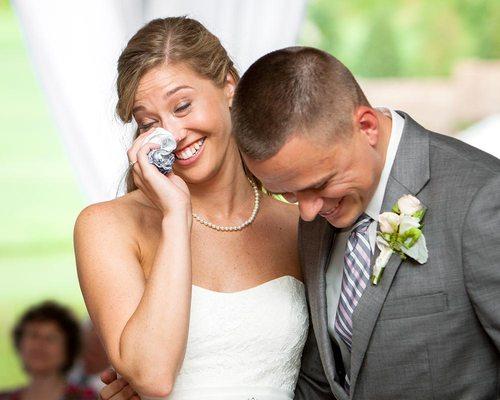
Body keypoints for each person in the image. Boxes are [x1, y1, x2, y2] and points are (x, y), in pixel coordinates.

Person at [230, 47, 500, 399]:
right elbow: (325, 380)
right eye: (289, 195)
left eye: (320, 184)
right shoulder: (320, 214)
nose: (308, 212)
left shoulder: (481, 198)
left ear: (366, 126)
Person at [74, 17, 308, 400]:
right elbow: (153, 376)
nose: (174, 135)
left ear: (229, 86)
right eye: (150, 123)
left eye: (182, 106)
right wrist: (175, 216)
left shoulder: (297, 224)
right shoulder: (106, 226)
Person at [0, 301, 97, 400]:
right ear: (20, 343)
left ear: (69, 348)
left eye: (51, 338)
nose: (39, 345)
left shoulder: (88, 398)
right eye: (34, 335)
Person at [68, 319, 109, 392]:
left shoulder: (112, 390)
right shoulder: (61, 368)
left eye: (103, 341)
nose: (95, 346)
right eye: (92, 332)